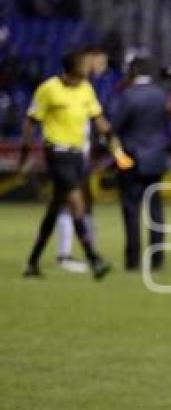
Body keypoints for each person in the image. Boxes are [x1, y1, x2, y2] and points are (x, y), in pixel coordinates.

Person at [19, 49, 126, 279]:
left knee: (55, 209)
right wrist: (25, 153)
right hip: (57, 152)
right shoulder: (49, 88)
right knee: (77, 203)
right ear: (74, 66)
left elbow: (98, 119)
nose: (91, 67)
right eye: (86, 63)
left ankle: (32, 263)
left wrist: (114, 142)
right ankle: (94, 259)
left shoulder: (86, 89)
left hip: (78, 154)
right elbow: (31, 121)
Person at [110, 55, 171, 271]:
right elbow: (168, 125)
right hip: (156, 159)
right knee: (156, 211)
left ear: (132, 72)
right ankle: (157, 259)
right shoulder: (161, 95)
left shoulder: (128, 96)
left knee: (131, 210)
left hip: (132, 159)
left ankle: (133, 260)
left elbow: (114, 127)